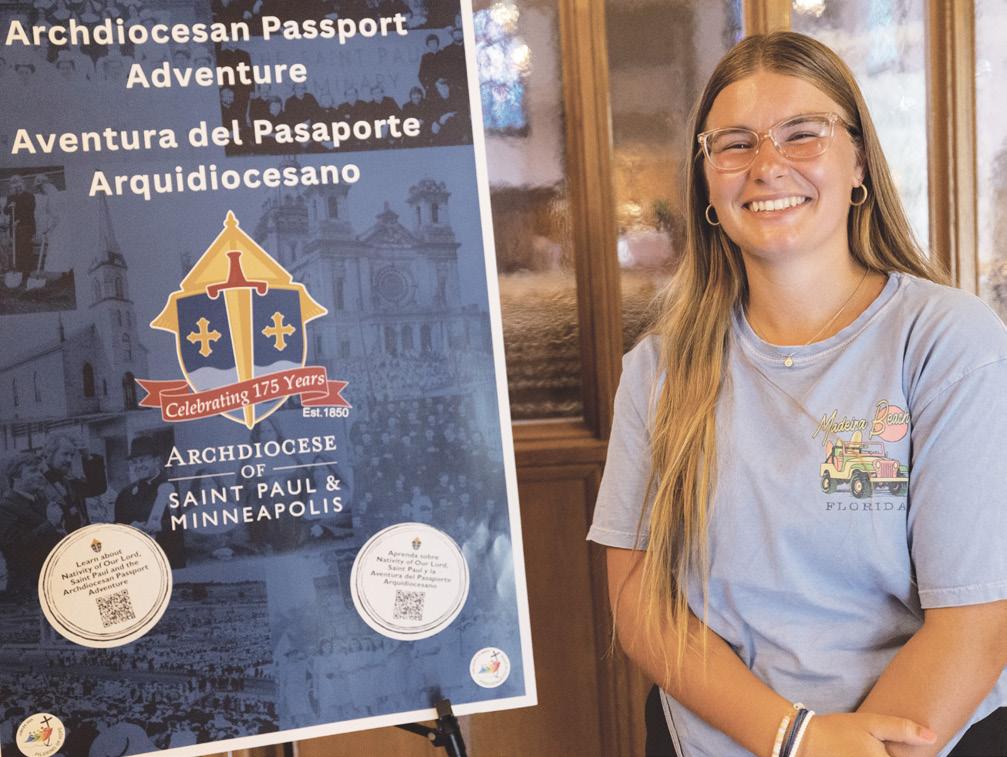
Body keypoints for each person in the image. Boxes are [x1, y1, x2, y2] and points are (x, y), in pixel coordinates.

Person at [588, 32, 1007, 757]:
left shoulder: (949, 341)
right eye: (734, 144)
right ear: (707, 184)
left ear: (858, 164)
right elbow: (641, 603)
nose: (767, 165)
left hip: (922, 736)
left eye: (802, 133)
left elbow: (976, 619)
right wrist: (795, 737)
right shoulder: (659, 368)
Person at [114, 435, 184, 568]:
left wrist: (161, 526)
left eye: (142, 460)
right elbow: (117, 526)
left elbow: (187, 521)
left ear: (157, 460)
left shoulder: (176, 486)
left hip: (171, 560)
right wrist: (129, 528)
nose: (138, 466)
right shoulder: (126, 494)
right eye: (134, 462)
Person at [0, 452, 62, 595]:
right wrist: (51, 524)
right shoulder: (4, 508)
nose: (41, 475)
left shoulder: (41, 502)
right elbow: (15, 548)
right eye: (33, 471)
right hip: (25, 590)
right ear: (16, 476)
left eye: (41, 471)